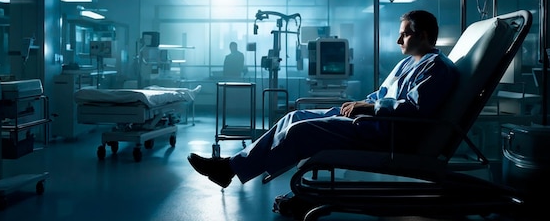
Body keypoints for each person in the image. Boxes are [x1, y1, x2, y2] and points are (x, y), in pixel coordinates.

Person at [188, 10, 459, 188]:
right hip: (369, 122)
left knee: (299, 131)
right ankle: (230, 167)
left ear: (423, 35)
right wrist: (360, 104)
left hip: (385, 135)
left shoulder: (436, 68)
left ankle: (231, 169)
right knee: (293, 115)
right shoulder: (408, 64)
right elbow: (381, 96)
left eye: (406, 32)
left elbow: (414, 110)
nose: (399, 38)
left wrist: (369, 107)